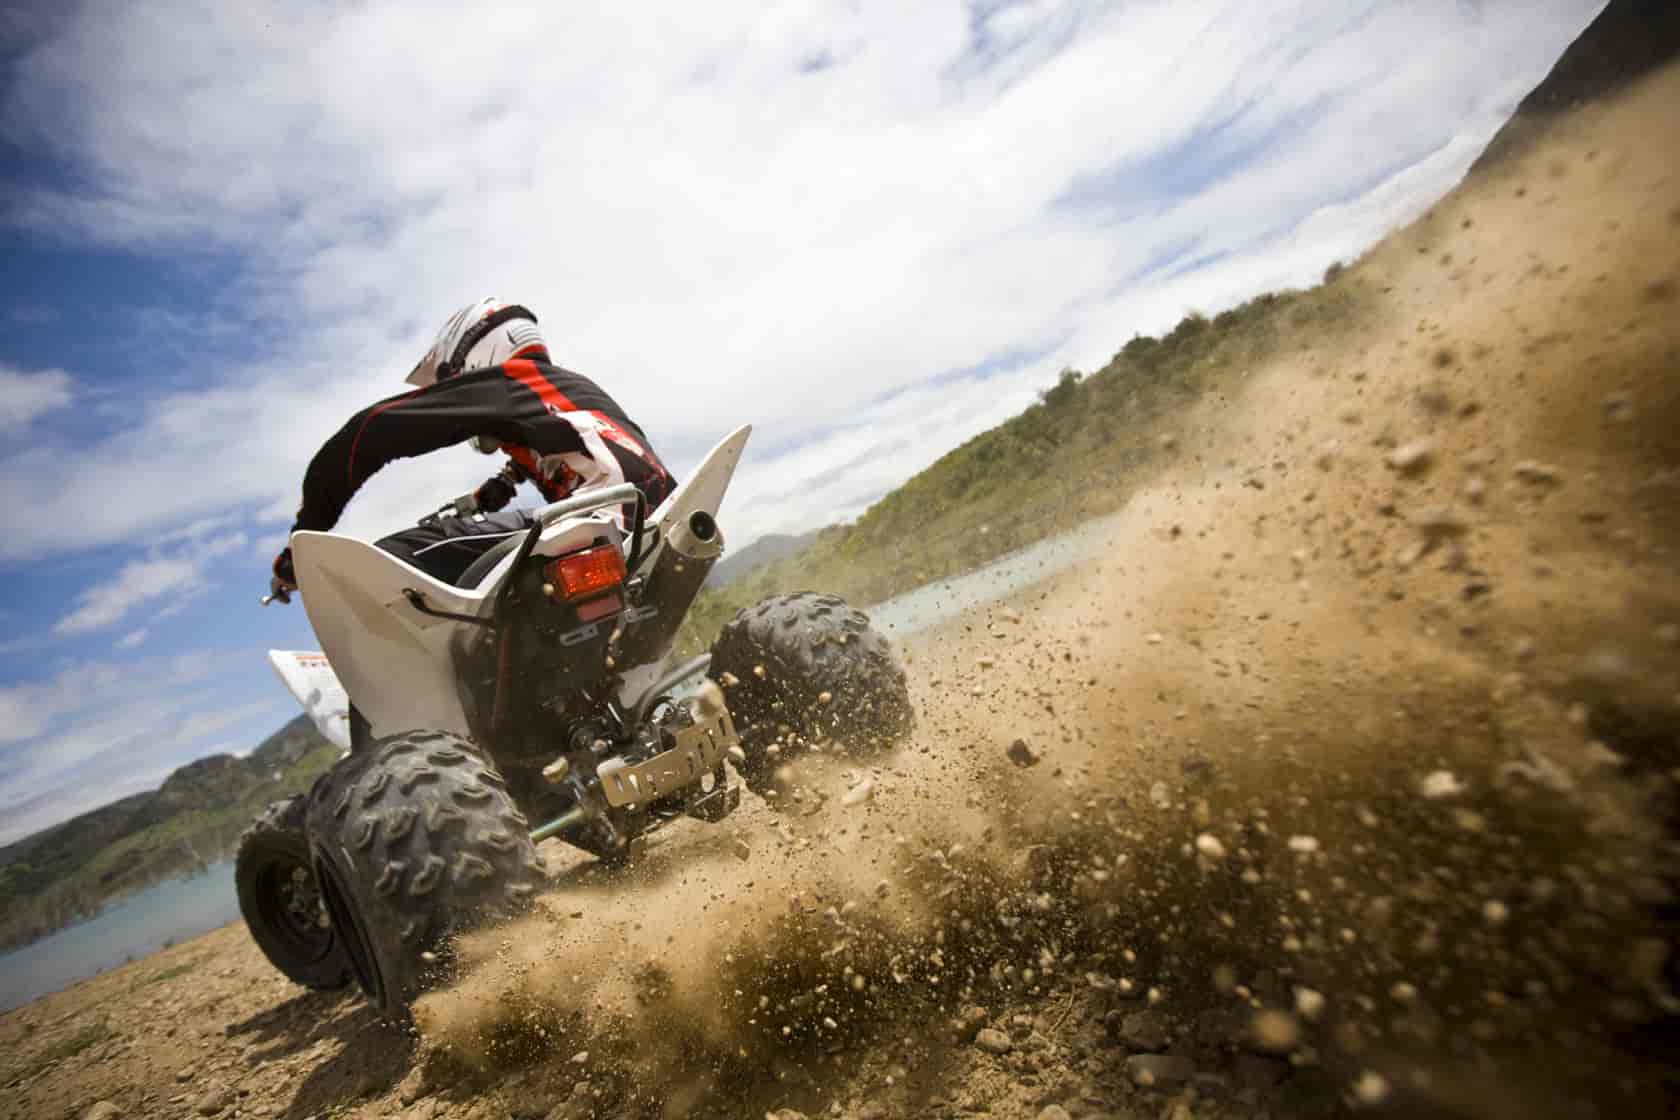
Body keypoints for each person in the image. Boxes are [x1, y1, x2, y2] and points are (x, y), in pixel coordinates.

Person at [270, 299, 674, 599]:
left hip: (600, 519)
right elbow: (552, 458)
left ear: (477, 352)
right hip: (662, 523)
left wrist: (301, 543)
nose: (455, 385)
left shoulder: (509, 382)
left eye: (453, 376)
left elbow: (367, 433)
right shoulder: (567, 393)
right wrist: (489, 494)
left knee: (391, 561)